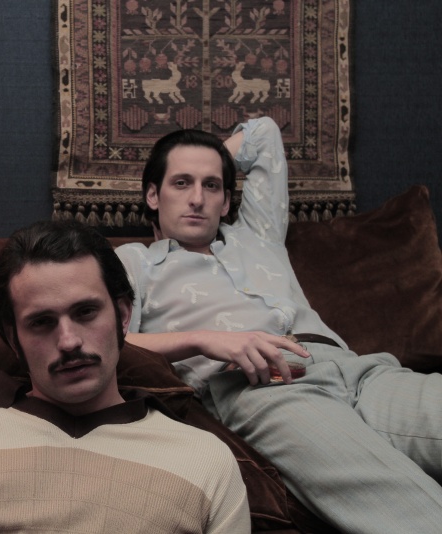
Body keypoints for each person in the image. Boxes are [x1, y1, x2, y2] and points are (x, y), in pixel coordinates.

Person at [115, 116, 442, 533]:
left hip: (359, 371)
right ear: (152, 195)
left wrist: (210, 157)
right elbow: (108, 342)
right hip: (262, 387)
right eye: (181, 183)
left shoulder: (258, 234)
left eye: (211, 186)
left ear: (226, 202)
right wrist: (205, 340)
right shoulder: (135, 262)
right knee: (401, 501)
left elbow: (265, 133)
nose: (197, 198)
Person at [0, 220, 250, 534]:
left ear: (123, 316)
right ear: (13, 338)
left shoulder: (205, 460)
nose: (69, 341)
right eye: (41, 322)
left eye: (86, 312)